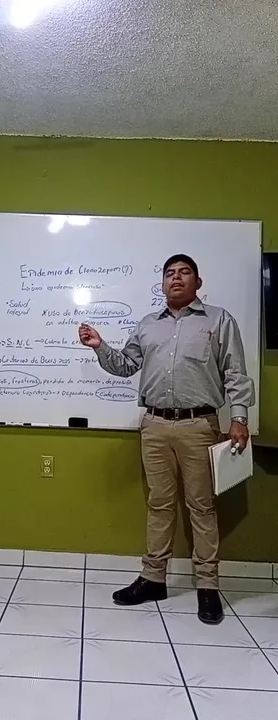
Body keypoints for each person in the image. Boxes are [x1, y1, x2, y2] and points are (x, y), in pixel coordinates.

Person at [79, 254, 255, 625]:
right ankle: (153, 579)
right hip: (154, 426)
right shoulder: (147, 325)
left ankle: (207, 587)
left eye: (184, 272)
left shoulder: (219, 320)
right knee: (159, 504)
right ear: (162, 283)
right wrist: (99, 346)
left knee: (201, 507)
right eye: (170, 273)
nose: (176, 278)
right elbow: (126, 365)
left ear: (197, 282)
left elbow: (236, 373)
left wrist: (239, 418)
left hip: (199, 426)